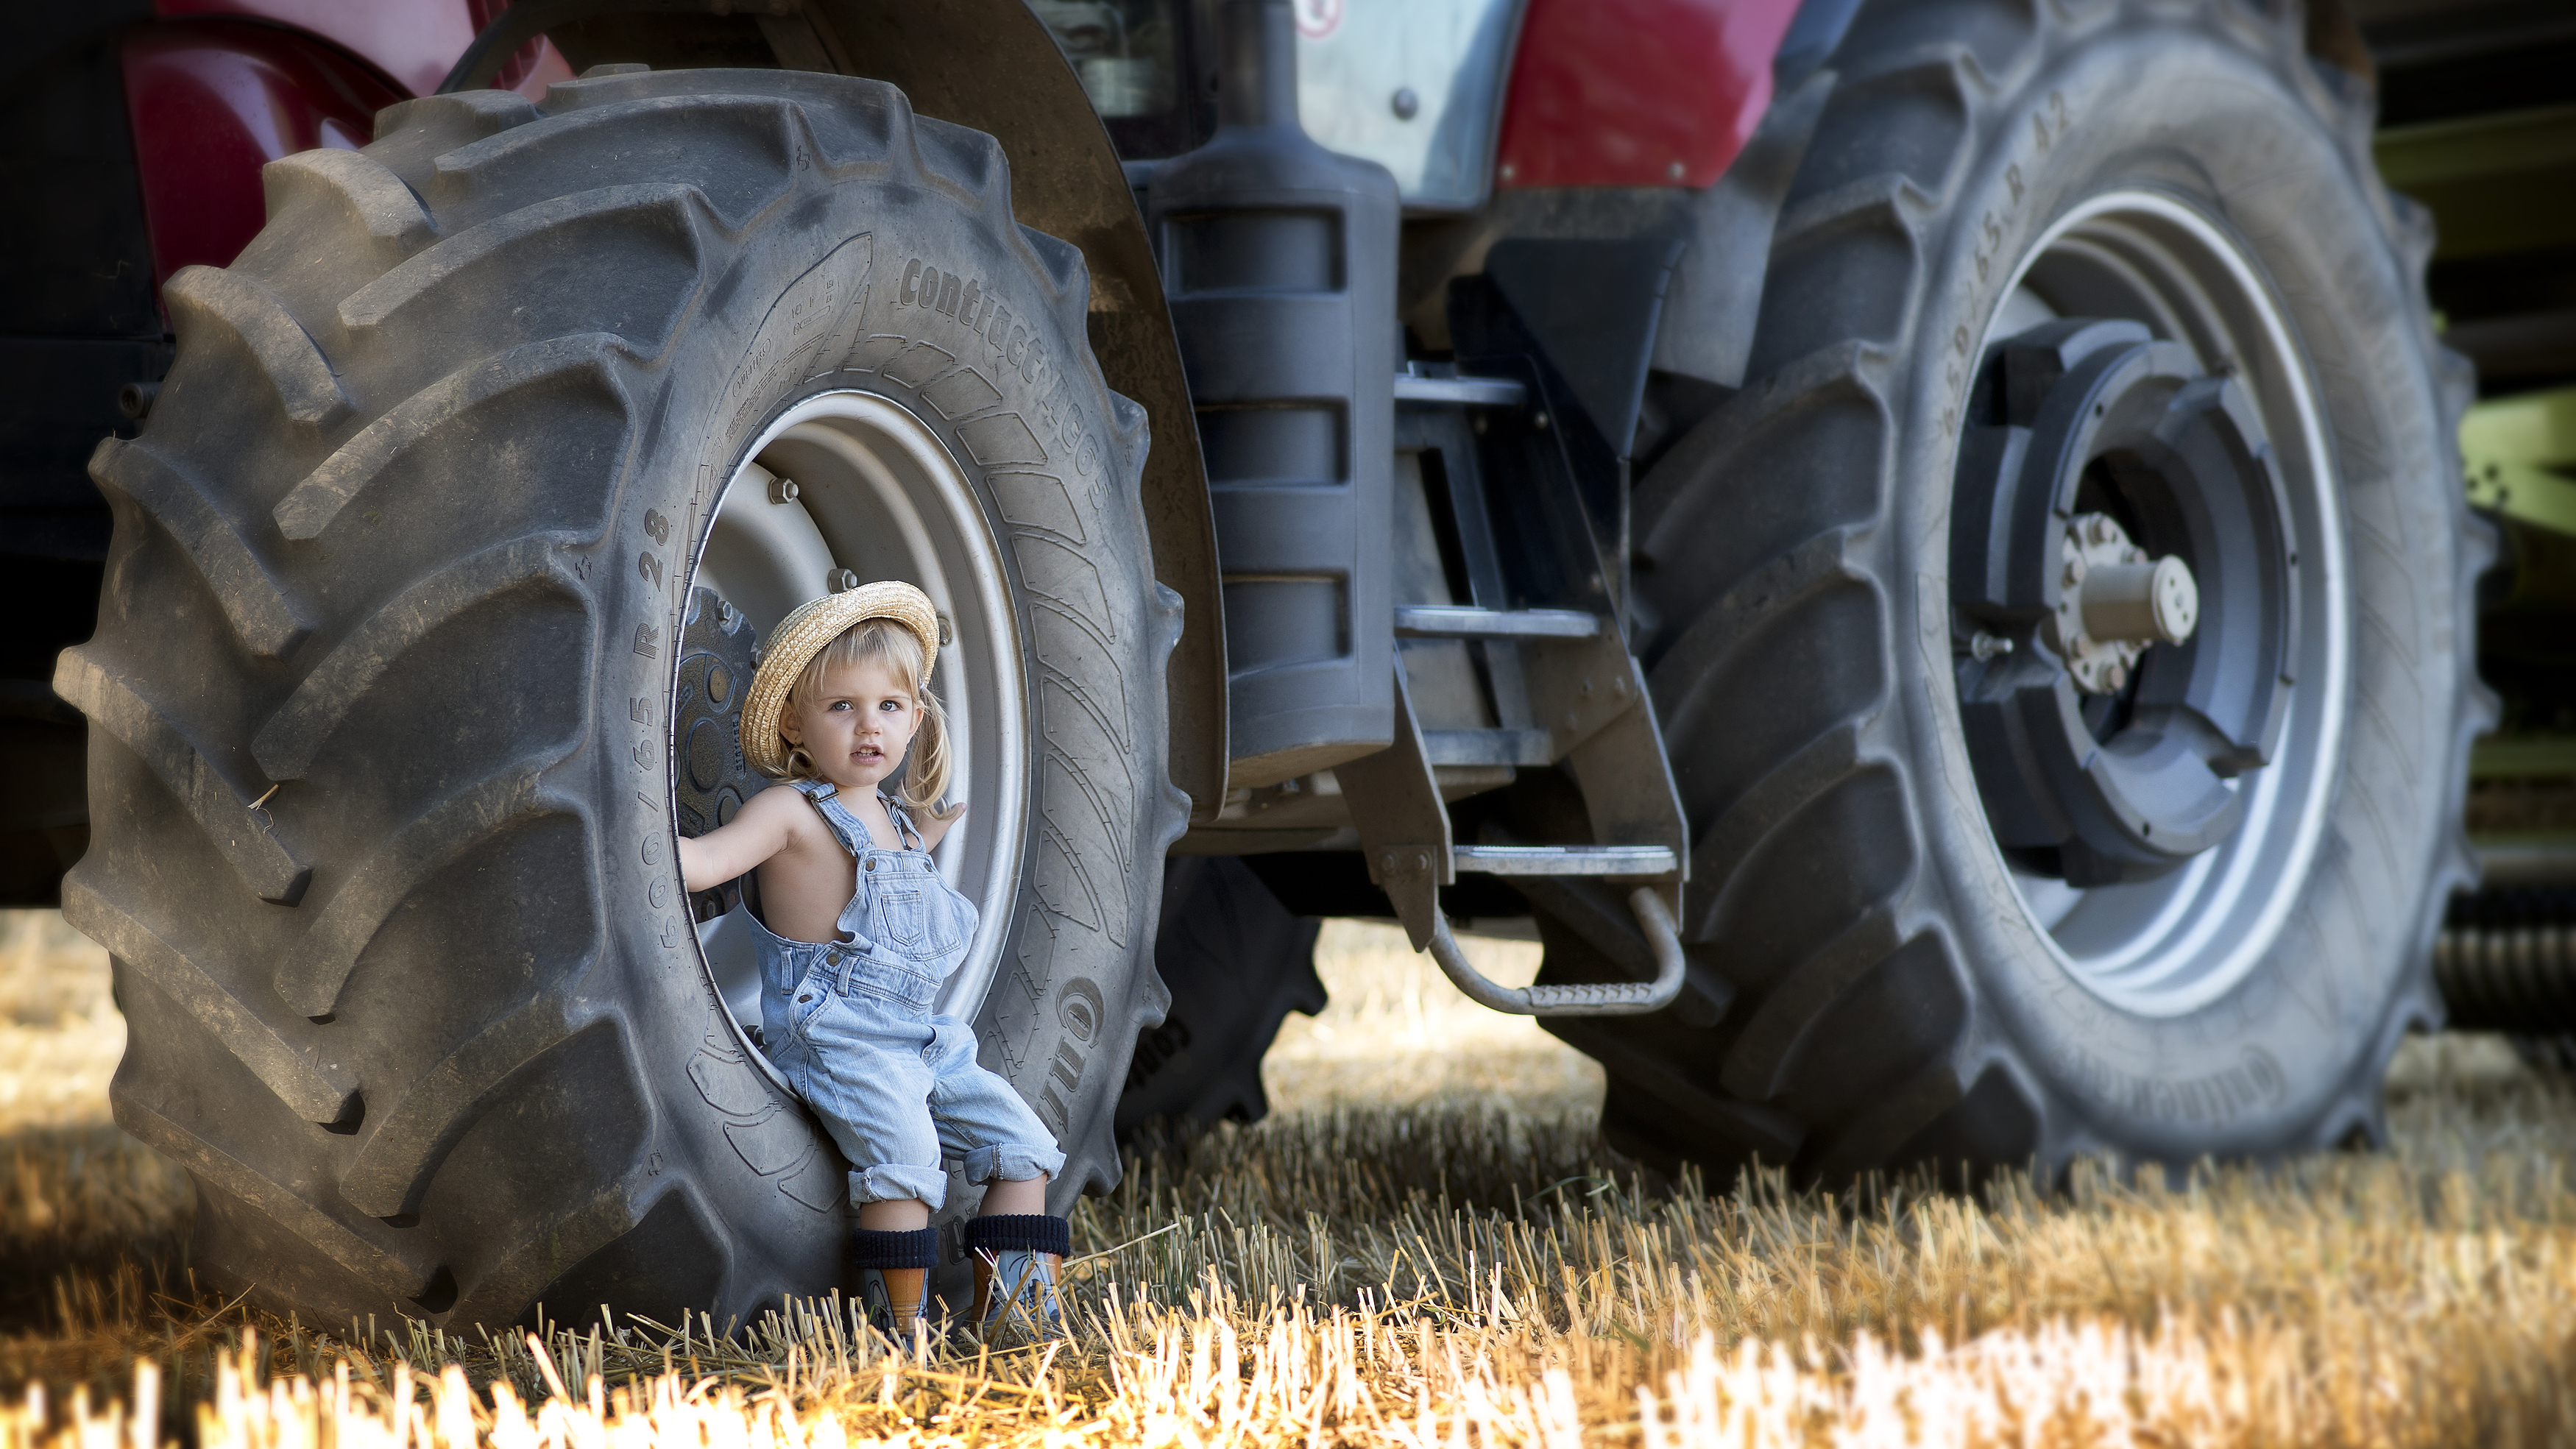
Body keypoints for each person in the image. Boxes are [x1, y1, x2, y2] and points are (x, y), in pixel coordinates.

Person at [676, 581, 1067, 1342]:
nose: (869, 727)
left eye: (888, 708)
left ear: (914, 719)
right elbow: (700, 863)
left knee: (1025, 1146)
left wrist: (928, 829)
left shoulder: (895, 822)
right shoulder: (789, 812)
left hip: (923, 1037)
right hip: (837, 1032)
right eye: (841, 707)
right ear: (793, 720)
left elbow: (901, 883)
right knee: (908, 1153)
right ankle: (903, 1330)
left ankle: (1018, 1323)